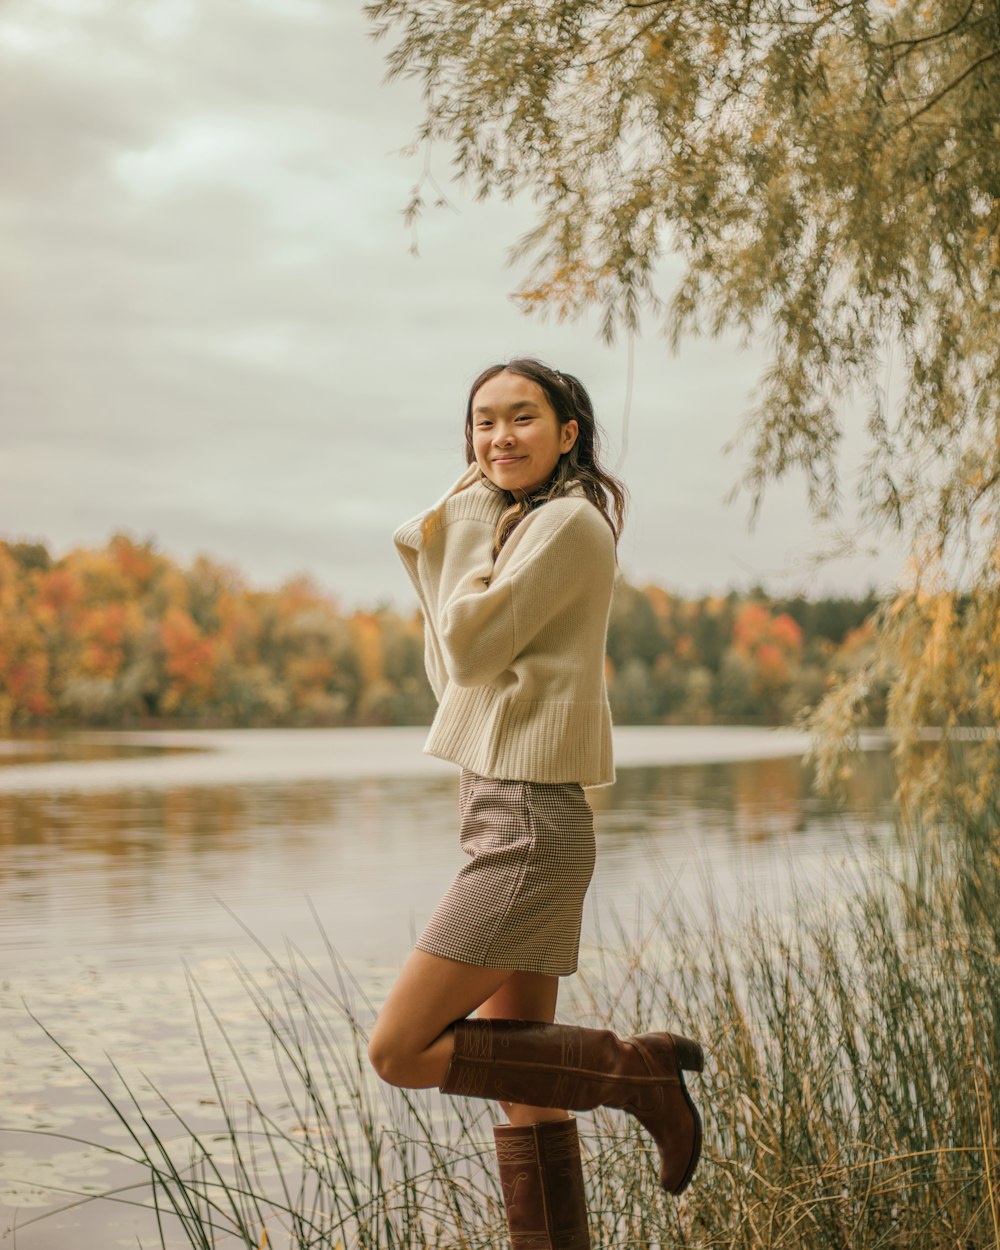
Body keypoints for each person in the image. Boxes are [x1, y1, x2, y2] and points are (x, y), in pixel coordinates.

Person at [368, 357, 703, 1250]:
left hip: (529, 825)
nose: (498, 437)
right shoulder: (519, 531)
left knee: (399, 1050)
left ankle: (637, 1073)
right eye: (482, 423)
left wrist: (471, 513)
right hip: (502, 811)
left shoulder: (566, 524)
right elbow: (453, 675)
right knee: (528, 1095)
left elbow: (470, 649)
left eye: (521, 418)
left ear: (569, 435)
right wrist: (477, 526)